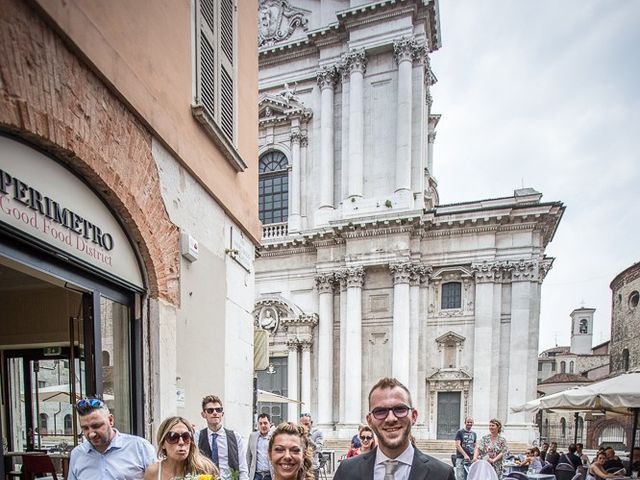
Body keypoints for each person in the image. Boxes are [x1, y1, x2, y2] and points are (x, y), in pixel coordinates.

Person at [332, 377, 455, 480]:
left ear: (414, 416)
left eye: (400, 409)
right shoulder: (347, 471)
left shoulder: (442, 474)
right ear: (369, 420)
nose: (391, 418)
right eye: (380, 411)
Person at [68, 398, 156, 480]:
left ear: (110, 420)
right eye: (85, 428)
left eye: (96, 426)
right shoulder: (77, 454)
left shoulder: (140, 448)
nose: (91, 434)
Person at [144, 416, 218, 480]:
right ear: (163, 443)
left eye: (186, 437)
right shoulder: (153, 472)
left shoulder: (205, 469)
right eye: (173, 437)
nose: (181, 442)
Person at [198, 395, 249, 480]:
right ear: (203, 414)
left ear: (222, 413)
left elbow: (242, 467)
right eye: (210, 410)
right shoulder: (197, 436)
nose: (215, 413)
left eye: (218, 410)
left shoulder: (235, 437)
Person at [247, 413, 273, 480]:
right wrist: (248, 472)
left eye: (265, 423)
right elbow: (249, 456)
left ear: (270, 423)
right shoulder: (253, 436)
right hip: (256, 475)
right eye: (260, 423)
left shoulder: (274, 437)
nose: (263, 425)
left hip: (270, 474)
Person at [299, 413, 323, 479]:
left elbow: (319, 449)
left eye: (306, 424)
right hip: (300, 467)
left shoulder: (318, 432)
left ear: (311, 423)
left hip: (313, 467)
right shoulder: (298, 433)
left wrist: (308, 439)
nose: (304, 426)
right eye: (302, 424)